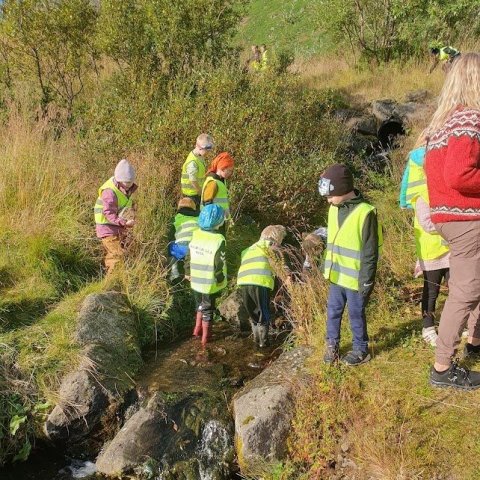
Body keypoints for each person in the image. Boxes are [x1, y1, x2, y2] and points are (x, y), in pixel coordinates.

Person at [425, 53, 480, 389]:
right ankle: (443, 367)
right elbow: (459, 173)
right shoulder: (469, 119)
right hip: (467, 217)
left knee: (474, 284)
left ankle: (475, 342)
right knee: (466, 290)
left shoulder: (442, 123)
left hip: (449, 216)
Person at [319, 163, 382, 366]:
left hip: (356, 279)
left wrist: (366, 281)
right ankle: (332, 344)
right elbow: (333, 240)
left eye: (330, 195)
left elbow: (370, 251)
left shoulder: (366, 213)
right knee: (333, 312)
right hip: (336, 276)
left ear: (343, 190)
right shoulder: (333, 209)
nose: (327, 200)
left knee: (356, 314)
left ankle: (361, 349)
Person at [400, 136, 450, 346]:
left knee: (456, 288)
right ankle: (427, 327)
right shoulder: (421, 194)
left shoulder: (442, 187)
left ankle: (452, 323)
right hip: (431, 251)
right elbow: (428, 224)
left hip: (449, 249)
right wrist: (454, 232)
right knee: (431, 291)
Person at [237, 225, 287, 348]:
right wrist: (287, 277)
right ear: (277, 238)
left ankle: (256, 341)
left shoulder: (249, 249)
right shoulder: (271, 246)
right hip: (260, 282)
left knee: (253, 312)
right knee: (263, 312)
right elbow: (280, 266)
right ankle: (263, 343)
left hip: (244, 281)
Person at [189, 204, 227, 348]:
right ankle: (205, 339)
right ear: (218, 221)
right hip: (209, 281)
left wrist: (188, 272)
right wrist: (220, 279)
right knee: (208, 309)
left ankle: (196, 331)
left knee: (200, 305)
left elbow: (188, 254)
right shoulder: (219, 239)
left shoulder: (196, 233)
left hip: (196, 278)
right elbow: (219, 263)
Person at [94, 159, 137, 274]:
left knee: (128, 250)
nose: (128, 186)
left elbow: (127, 206)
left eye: (130, 182)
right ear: (118, 180)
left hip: (118, 227)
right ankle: (112, 282)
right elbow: (108, 214)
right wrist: (124, 222)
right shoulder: (109, 192)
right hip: (107, 228)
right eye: (126, 183)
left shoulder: (126, 189)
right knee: (116, 256)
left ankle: (122, 277)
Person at [201, 151, 234, 235]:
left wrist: (228, 218)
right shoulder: (213, 182)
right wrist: (211, 222)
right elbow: (207, 203)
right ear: (222, 168)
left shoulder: (220, 181)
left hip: (219, 220)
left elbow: (223, 204)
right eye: (229, 170)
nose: (230, 173)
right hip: (212, 222)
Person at [167, 197, 199, 283]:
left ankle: (174, 273)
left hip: (181, 249)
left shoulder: (177, 218)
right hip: (196, 249)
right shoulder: (199, 217)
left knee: (170, 245)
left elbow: (170, 236)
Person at [181, 134, 214, 209]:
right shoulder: (193, 162)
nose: (208, 153)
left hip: (195, 194)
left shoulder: (199, 156)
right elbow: (192, 180)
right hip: (192, 195)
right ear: (200, 148)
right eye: (207, 151)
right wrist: (200, 192)